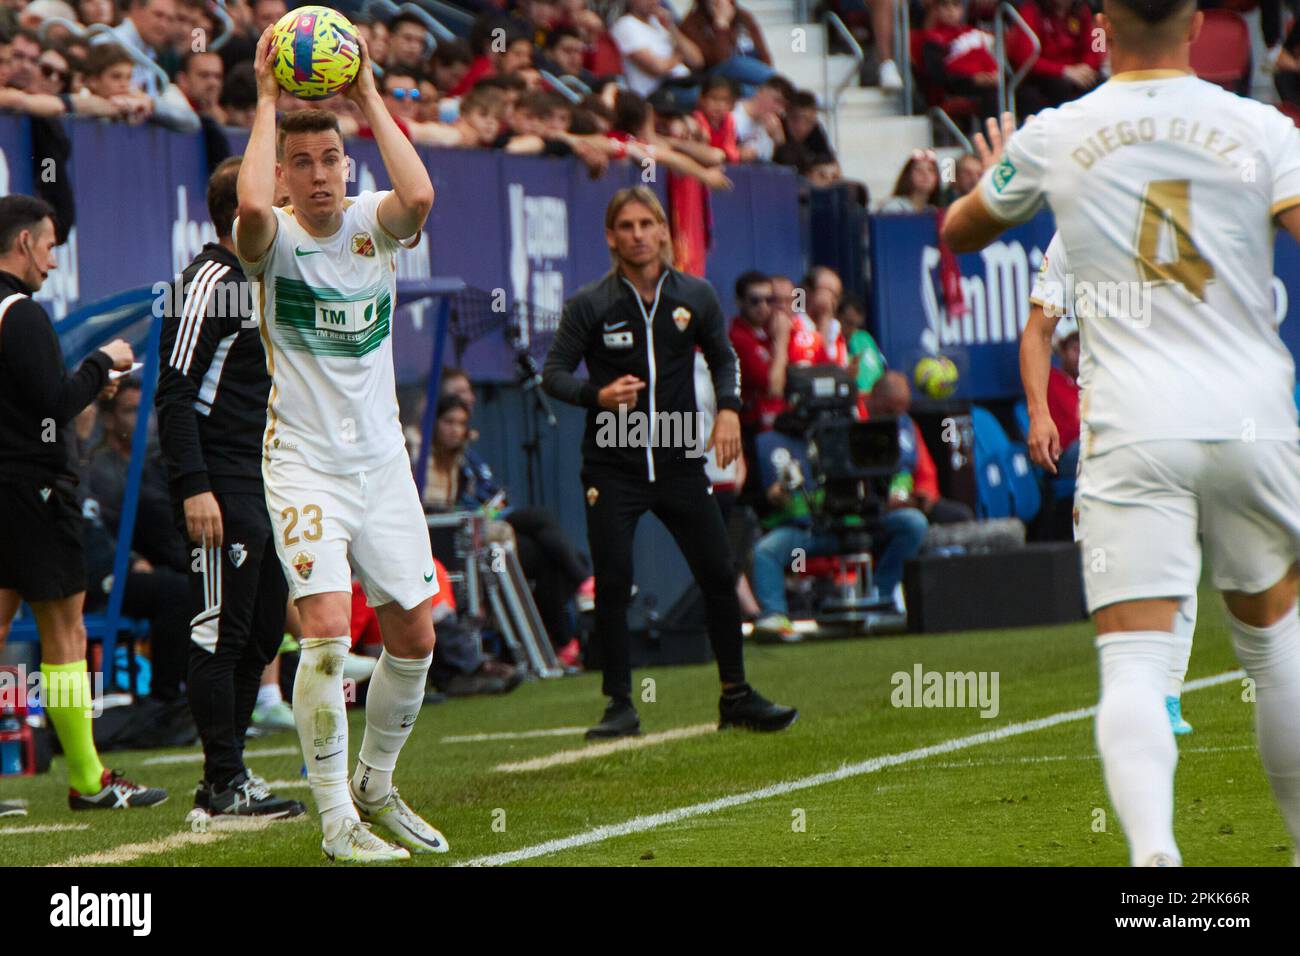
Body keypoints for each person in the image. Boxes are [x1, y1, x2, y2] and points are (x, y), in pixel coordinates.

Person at [943, 0, 1300, 866]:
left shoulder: (1055, 132)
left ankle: (1154, 863)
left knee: (1136, 663)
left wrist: (987, 182)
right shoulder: (1264, 126)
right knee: (1275, 648)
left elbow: (961, 231)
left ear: (1101, 20)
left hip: (1131, 423)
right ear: (1198, 21)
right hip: (1249, 416)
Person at [234, 28, 445, 863]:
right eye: (304, 163)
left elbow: (421, 196)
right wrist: (262, 101)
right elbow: (248, 211)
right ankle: (334, 823)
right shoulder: (272, 238)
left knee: (416, 640)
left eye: (332, 159)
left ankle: (377, 785)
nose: (321, 174)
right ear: (285, 174)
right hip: (305, 466)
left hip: (382, 464)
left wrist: (363, 94)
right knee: (324, 629)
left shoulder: (372, 224)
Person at [542, 186, 797, 739]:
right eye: (625, 226)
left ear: (663, 231)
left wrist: (729, 411)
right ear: (611, 236)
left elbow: (724, 356)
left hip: (681, 456)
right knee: (613, 581)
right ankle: (619, 704)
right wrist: (598, 395)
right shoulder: (591, 302)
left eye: (646, 224)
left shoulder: (695, 295)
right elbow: (554, 373)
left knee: (717, 572)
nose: (637, 234)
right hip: (613, 461)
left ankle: (736, 693)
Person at [0, 194, 167, 810]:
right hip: (35, 492)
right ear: (23, 243)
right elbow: (55, 404)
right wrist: (104, 362)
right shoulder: (21, 313)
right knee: (65, 633)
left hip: (5, 490)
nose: (51, 257)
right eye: (48, 244)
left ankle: (88, 777)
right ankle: (90, 780)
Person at [156, 156, 306, 819]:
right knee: (217, 632)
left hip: (265, 480)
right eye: (279, 192)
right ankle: (220, 781)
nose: (290, 203)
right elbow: (175, 390)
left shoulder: (262, 276)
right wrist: (195, 486)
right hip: (220, 484)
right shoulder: (210, 280)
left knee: (261, 633)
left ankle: (232, 775)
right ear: (242, 207)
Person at [1026, 231, 1194, 734]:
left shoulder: (1179, 216)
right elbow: (1039, 330)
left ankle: (1165, 696)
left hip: (1174, 416)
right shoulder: (1073, 233)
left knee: (1175, 552)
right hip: (1105, 423)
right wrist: (1039, 413)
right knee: (1105, 557)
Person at [750, 406, 929, 639]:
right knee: (767, 550)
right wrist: (781, 489)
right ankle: (774, 617)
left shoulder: (864, 434)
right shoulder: (781, 443)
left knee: (913, 523)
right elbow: (764, 501)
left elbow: (886, 482)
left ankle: (880, 597)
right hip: (815, 529)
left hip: (864, 521)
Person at [610, 0, 703, 98]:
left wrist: (672, 27)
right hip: (658, 92)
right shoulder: (625, 25)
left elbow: (697, 61)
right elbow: (657, 68)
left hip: (683, 83)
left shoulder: (658, 22)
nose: (652, 2)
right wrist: (679, 56)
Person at [877, 150, 942, 213]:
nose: (925, 175)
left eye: (930, 170)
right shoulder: (894, 209)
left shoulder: (933, 212)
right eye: (918, 170)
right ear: (908, 176)